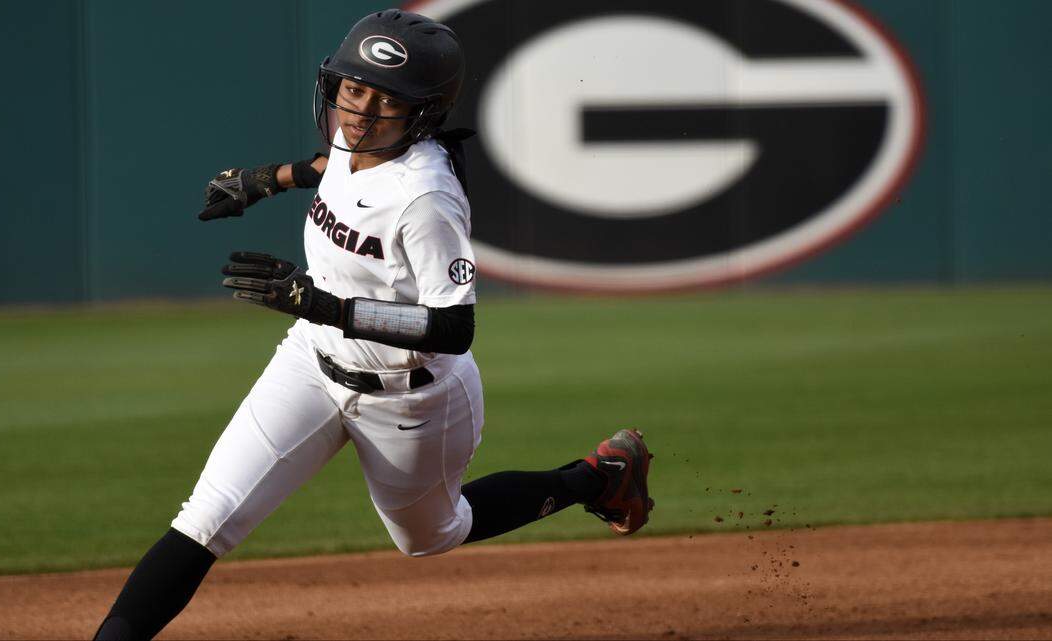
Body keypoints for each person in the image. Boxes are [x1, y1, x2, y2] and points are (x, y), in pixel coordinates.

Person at [93, 9, 653, 640]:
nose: (358, 111)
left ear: (424, 112)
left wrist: (322, 305)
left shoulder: (426, 198)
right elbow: (328, 163)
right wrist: (263, 180)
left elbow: (452, 329)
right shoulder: (356, 137)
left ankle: (597, 478)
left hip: (411, 396)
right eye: (352, 89)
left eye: (385, 100)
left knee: (432, 536)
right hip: (311, 360)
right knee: (204, 521)